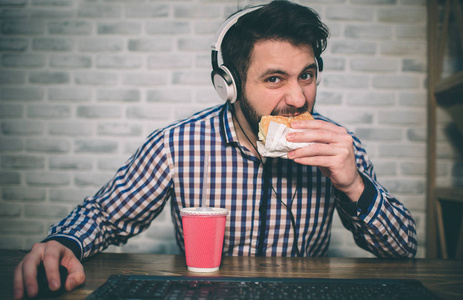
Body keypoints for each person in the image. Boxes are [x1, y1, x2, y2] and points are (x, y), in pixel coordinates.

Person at [13, 1, 417, 299]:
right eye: (275, 78)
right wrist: (63, 243)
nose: (298, 98)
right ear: (229, 85)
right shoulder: (176, 145)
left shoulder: (338, 147)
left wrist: (354, 186)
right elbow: (103, 216)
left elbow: (403, 252)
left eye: (307, 75)